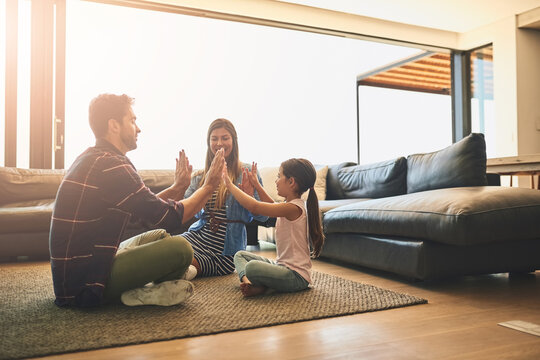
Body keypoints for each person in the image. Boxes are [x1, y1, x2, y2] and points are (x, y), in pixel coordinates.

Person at [49, 93, 224, 307]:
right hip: (85, 284)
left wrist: (179, 188)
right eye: (132, 120)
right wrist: (209, 186)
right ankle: (144, 291)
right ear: (114, 125)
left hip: (87, 265)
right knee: (181, 249)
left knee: (158, 235)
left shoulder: (97, 157)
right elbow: (171, 218)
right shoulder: (112, 166)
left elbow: (143, 210)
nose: (138, 128)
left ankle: (144, 290)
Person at [222, 158, 325, 297]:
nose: (276, 181)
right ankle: (250, 284)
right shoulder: (288, 206)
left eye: (279, 176)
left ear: (291, 182)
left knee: (251, 267)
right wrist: (256, 185)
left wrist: (229, 184)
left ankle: (261, 286)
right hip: (281, 268)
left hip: (296, 277)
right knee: (240, 255)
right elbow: (271, 204)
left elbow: (255, 206)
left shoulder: (293, 208)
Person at [181, 118, 268, 278]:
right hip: (198, 237)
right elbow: (192, 212)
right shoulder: (200, 177)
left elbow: (263, 217)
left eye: (225, 138)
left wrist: (249, 198)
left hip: (225, 251)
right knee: (164, 249)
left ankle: (179, 274)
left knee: (180, 262)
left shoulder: (247, 172)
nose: (219, 143)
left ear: (233, 141)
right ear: (209, 143)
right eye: (214, 139)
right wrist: (198, 189)